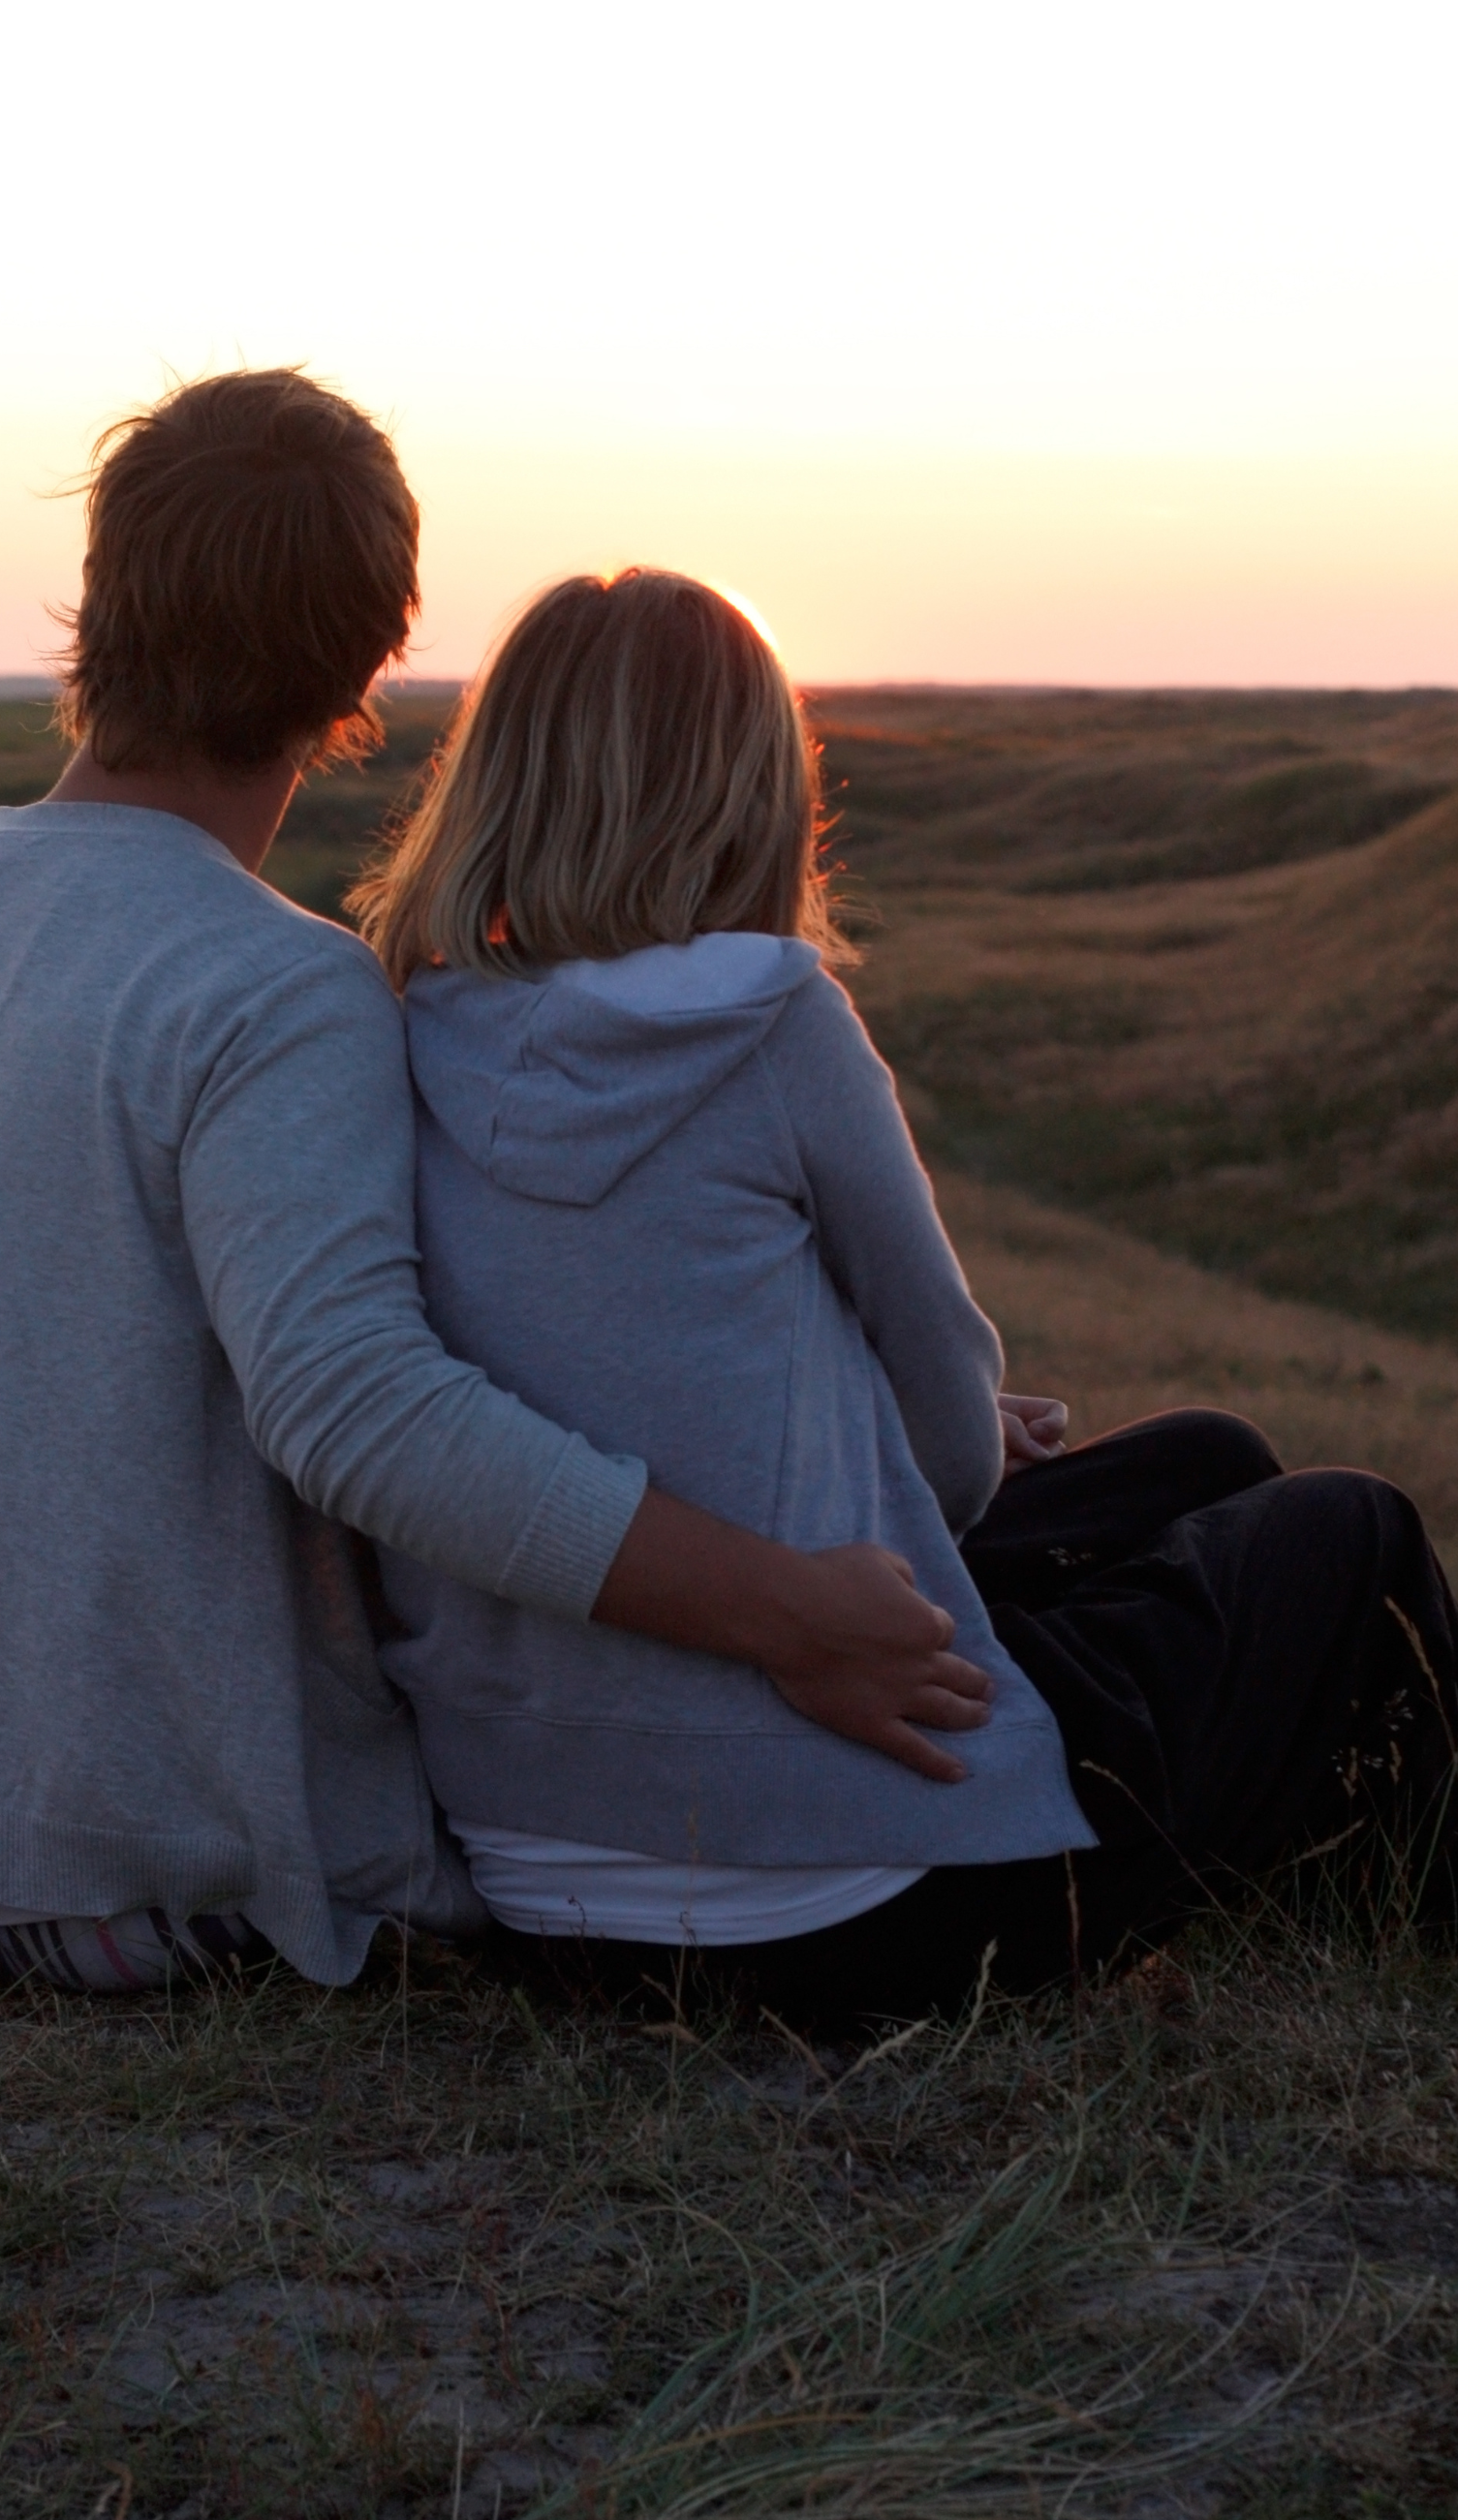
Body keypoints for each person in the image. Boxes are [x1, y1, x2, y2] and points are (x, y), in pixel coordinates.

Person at [0, 375, 996, 1998]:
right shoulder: (274, 987)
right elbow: (357, 1408)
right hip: (151, 1874)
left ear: (99, 603)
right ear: (364, 670)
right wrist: (783, 1610)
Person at [352, 568, 1458, 2035]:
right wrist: (919, 1427)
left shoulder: (409, 1027)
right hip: (848, 1901)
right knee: (1353, 1533)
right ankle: (1412, 1924)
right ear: (752, 791)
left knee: (1205, 1461)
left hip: (539, 1882)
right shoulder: (768, 1016)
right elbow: (951, 1451)